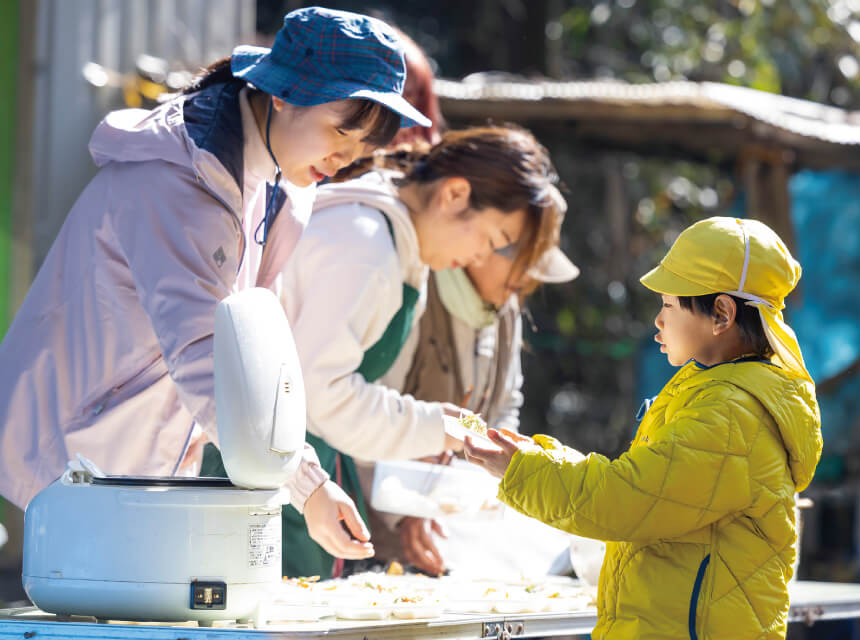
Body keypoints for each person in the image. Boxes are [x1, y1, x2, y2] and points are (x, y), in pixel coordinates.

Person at [0, 6, 432, 563]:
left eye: (362, 146)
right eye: (340, 131)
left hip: (133, 469)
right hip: (72, 464)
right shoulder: (177, 179)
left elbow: (250, 350)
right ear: (283, 94)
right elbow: (211, 354)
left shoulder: (281, 180)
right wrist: (308, 486)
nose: (346, 158)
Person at [465, 216, 823, 640]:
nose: (658, 320)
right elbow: (646, 486)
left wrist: (523, 468)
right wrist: (541, 458)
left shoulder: (731, 415)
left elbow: (626, 500)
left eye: (669, 305)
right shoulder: (716, 391)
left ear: (722, 313)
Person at [261, 125, 565, 579]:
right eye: (493, 238)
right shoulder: (364, 244)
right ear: (454, 194)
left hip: (299, 473)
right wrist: (443, 427)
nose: (482, 257)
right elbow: (324, 398)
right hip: (253, 475)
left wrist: (444, 428)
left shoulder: (401, 246)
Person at [362, 201, 579, 576]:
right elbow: (367, 414)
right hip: (372, 532)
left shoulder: (507, 310)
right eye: (523, 262)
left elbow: (506, 407)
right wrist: (407, 510)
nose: (529, 281)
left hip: (460, 534)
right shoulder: (415, 291)